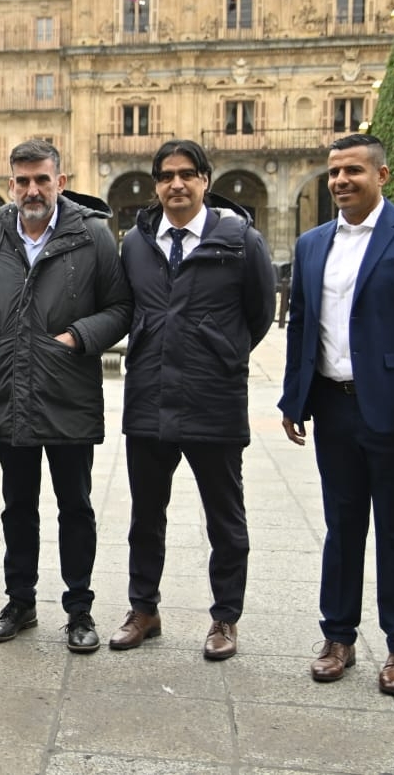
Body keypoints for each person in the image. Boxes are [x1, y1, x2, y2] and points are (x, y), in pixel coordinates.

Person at [280, 133, 394, 695]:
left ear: (381, 176)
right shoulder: (313, 244)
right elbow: (302, 326)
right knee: (342, 528)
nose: (340, 181)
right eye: (334, 172)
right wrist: (294, 397)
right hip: (333, 408)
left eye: (353, 171)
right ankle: (338, 637)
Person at [0, 139, 131, 652]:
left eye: (42, 179)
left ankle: (79, 608)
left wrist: (76, 338)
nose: (32, 190)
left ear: (61, 179)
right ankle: (21, 602)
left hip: (68, 389)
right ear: (11, 183)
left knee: (75, 504)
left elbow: (121, 306)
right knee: (17, 504)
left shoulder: (94, 236)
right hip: (8, 387)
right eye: (23, 180)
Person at [112, 139, 276, 659]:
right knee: (145, 516)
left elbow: (259, 314)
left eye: (187, 174)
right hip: (149, 397)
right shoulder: (136, 243)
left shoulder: (240, 239)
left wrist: (220, 350)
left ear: (206, 179)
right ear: (156, 183)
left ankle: (225, 617)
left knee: (225, 517)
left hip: (213, 397)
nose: (176, 184)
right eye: (166, 176)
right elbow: (129, 305)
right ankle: (144, 609)